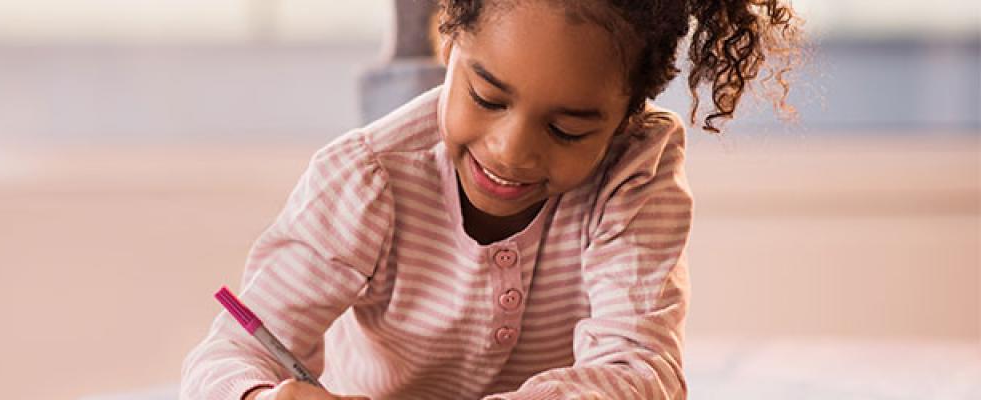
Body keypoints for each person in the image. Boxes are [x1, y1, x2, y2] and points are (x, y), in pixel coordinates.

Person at [181, 0, 804, 399]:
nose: (512, 152)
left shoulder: (635, 170)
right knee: (405, 106)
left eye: (568, 129)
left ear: (624, 115)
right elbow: (229, 355)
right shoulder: (364, 178)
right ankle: (420, 54)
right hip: (407, 159)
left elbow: (643, 373)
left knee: (453, 128)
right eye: (487, 96)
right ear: (452, 36)